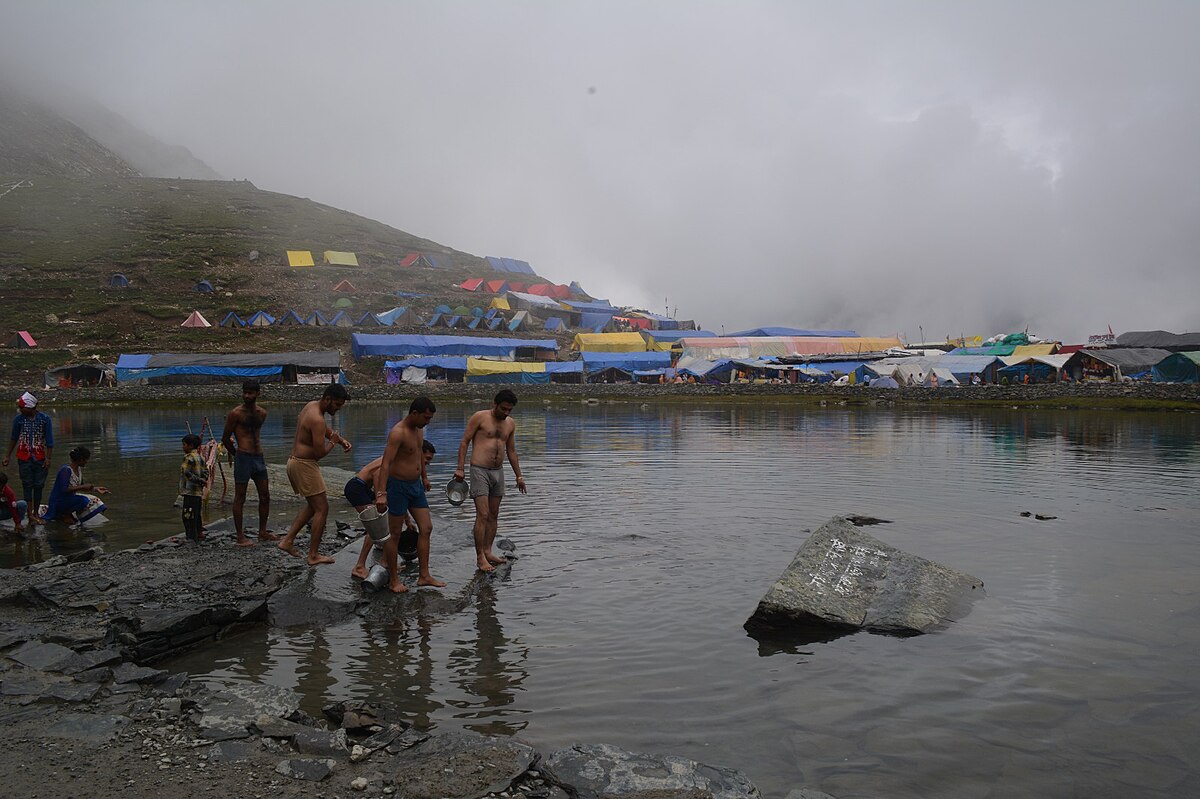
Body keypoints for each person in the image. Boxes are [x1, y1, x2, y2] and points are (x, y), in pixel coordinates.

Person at [277, 384, 352, 566]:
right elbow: (319, 453)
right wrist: (333, 443)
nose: (338, 408)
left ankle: (287, 541)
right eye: (337, 404)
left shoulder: (311, 406)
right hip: (304, 465)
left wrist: (340, 439)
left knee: (313, 506)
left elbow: (321, 429)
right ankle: (313, 555)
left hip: (295, 462)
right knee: (322, 508)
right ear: (327, 399)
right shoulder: (317, 418)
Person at [375, 397, 444, 592]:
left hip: (416, 486)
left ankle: (424, 576)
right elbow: (385, 464)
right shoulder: (398, 433)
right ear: (414, 413)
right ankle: (394, 580)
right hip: (398, 487)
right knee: (395, 533)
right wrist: (381, 494)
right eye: (426, 417)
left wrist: (425, 477)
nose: (428, 422)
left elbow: (419, 456)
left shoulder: (419, 430)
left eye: (430, 418)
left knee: (426, 527)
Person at [453, 389, 527, 573]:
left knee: (494, 515)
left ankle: (488, 551)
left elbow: (511, 451)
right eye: (503, 409)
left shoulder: (510, 424)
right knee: (483, 514)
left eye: (510, 410)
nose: (506, 413)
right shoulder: (480, 417)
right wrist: (460, 468)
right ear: (495, 403)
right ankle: (480, 557)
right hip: (479, 469)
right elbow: (464, 442)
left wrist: (519, 476)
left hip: (498, 472)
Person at [348, 440, 435, 579]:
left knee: (386, 525)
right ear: (418, 453)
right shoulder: (397, 459)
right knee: (377, 526)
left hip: (364, 488)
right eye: (428, 459)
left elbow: (401, 499)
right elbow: (377, 475)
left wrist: (407, 520)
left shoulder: (407, 464)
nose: (428, 463)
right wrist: (380, 500)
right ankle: (359, 566)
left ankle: (386, 560)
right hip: (358, 488)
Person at [221, 380, 277, 547]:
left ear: (258, 393)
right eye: (245, 392)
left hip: (258, 457)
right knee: (240, 497)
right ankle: (240, 536)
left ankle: (262, 531)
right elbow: (225, 438)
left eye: (250, 393)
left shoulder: (262, 413)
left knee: (265, 496)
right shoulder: (235, 414)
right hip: (243, 457)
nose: (247, 396)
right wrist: (236, 454)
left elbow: (256, 434)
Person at [3, 392, 53, 524]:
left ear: (31, 407)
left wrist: (48, 458)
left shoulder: (44, 419)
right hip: (23, 457)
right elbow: (13, 438)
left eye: (22, 408)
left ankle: (36, 512)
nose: (20, 410)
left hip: (40, 457)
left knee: (39, 485)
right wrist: (7, 455)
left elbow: (49, 441)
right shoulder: (19, 420)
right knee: (27, 485)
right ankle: (30, 514)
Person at [44, 446, 109, 524]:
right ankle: (64, 514)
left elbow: (81, 486)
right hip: (59, 500)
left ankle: (67, 513)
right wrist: (83, 486)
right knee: (84, 500)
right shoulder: (66, 470)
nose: (87, 462)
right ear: (81, 460)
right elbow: (64, 489)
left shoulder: (78, 469)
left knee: (91, 498)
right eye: (86, 459)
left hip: (68, 499)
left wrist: (96, 489)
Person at [179, 434, 208, 542]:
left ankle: (191, 536)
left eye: (184, 445)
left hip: (189, 491)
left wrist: (199, 480)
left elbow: (186, 472)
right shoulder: (201, 457)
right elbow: (206, 472)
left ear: (190, 445)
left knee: (187, 515)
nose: (183, 447)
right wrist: (203, 480)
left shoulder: (188, 457)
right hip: (198, 492)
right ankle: (199, 533)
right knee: (196, 513)